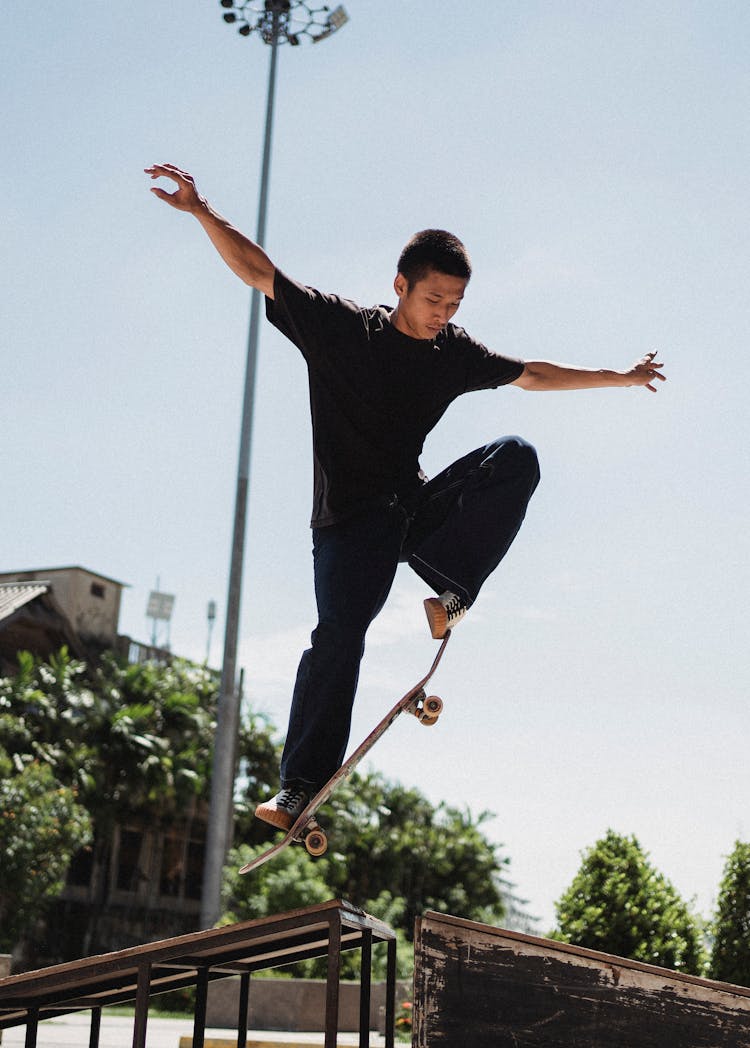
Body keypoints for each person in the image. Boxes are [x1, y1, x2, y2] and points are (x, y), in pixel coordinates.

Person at [145, 163, 666, 830]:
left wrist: (618, 379)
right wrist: (201, 211)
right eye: (432, 302)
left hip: (409, 509)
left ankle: (449, 597)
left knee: (515, 459)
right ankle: (298, 789)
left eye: (454, 306)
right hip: (346, 528)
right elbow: (258, 271)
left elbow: (531, 374)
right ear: (401, 286)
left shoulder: (453, 352)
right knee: (339, 637)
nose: (442, 316)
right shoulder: (341, 329)